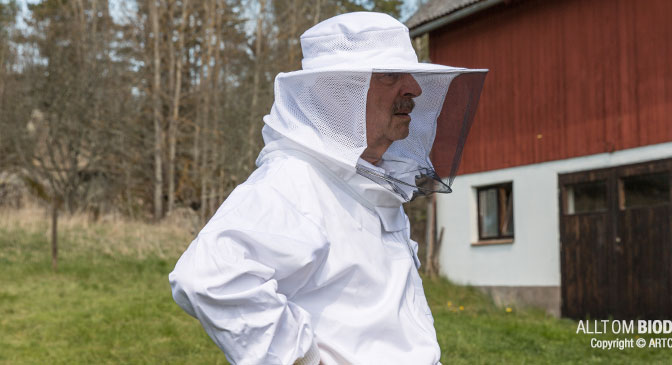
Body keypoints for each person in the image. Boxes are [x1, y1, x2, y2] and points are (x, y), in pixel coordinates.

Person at [169, 12, 487, 365]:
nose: (414, 88)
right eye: (390, 75)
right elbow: (209, 277)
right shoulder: (294, 180)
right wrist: (302, 359)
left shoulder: (366, 180)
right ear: (340, 92)